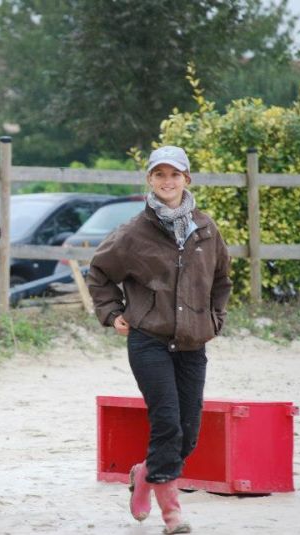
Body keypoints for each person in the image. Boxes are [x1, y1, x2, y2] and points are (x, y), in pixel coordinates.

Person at [87, 146, 232, 534]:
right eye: (160, 175)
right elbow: (99, 273)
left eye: (175, 175)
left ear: (187, 179)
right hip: (148, 341)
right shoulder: (134, 232)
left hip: (193, 343)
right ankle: (172, 515)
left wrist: (216, 320)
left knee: (189, 432)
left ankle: (144, 474)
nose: (167, 182)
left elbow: (222, 280)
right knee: (167, 423)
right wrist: (111, 312)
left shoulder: (206, 228)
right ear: (149, 179)